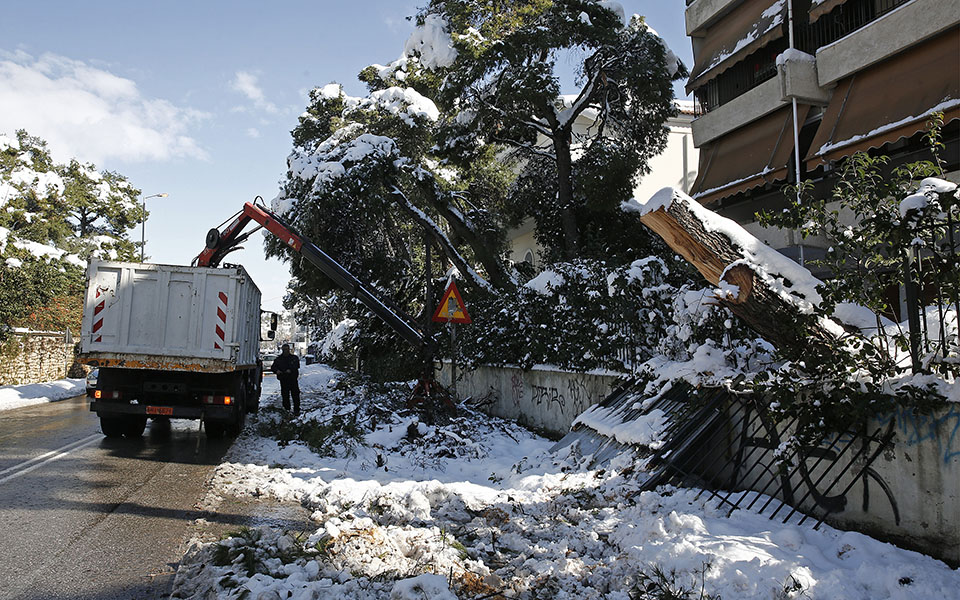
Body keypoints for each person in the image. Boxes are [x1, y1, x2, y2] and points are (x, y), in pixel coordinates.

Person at [271, 344, 301, 415]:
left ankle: (296, 410)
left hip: (292, 379)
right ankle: (287, 409)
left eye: (287, 349)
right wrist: (277, 371)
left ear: (289, 350)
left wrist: (290, 370)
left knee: (295, 395)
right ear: (282, 350)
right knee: (285, 395)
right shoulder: (279, 359)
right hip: (283, 379)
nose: (286, 351)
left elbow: (296, 366)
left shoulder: (294, 358)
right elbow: (273, 367)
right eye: (284, 349)